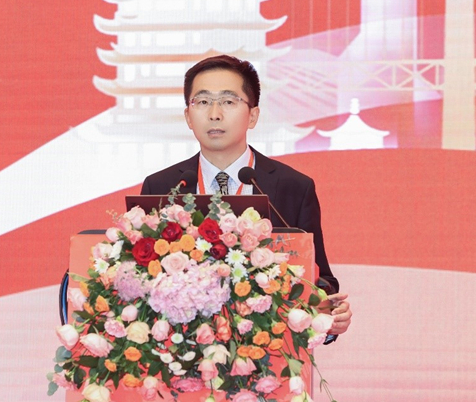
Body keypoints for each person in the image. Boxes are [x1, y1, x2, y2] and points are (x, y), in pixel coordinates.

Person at [141, 54, 352, 341]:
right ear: (188, 116)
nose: (214, 113)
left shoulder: (293, 187)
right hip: (183, 348)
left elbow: (318, 277)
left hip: (266, 347)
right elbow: (143, 278)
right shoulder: (162, 187)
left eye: (228, 101)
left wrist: (329, 317)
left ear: (253, 115)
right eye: (202, 101)